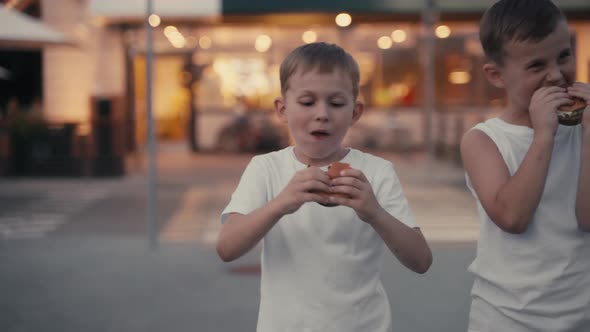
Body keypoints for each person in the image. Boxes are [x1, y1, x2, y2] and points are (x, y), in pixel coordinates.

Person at [217, 42, 432, 332]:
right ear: (282, 109)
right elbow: (227, 247)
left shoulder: (376, 172)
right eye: (307, 102)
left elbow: (421, 260)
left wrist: (374, 213)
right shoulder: (265, 169)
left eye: (336, 103)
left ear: (355, 112)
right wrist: (281, 203)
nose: (322, 114)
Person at [460, 0, 590, 331]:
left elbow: (587, 219)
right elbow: (512, 217)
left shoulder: (584, 131)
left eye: (563, 56)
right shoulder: (484, 140)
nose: (556, 75)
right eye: (536, 66)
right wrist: (543, 135)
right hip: (506, 317)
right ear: (496, 75)